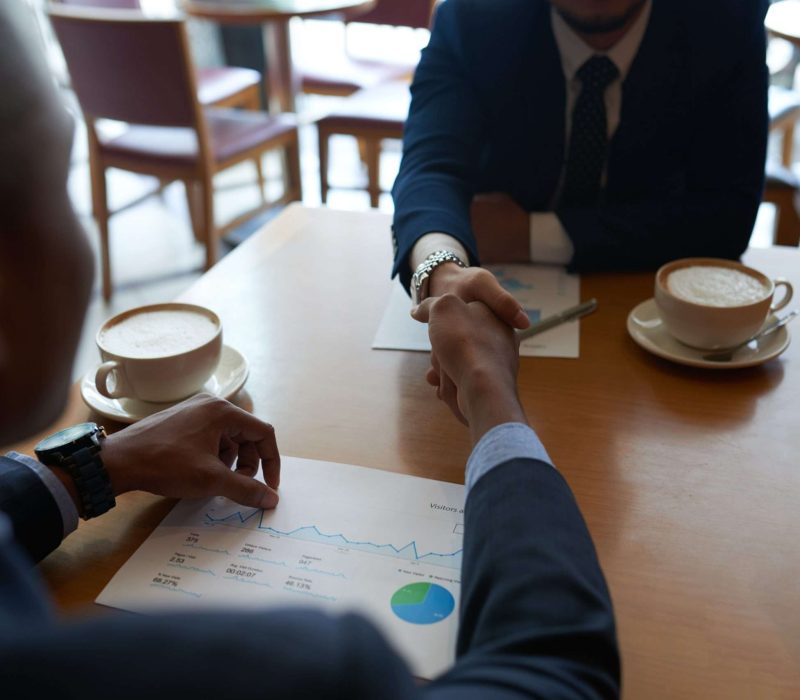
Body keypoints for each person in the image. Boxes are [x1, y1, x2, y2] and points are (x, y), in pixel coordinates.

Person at [1, 2, 618, 696]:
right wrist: (494, 400)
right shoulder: (307, 673)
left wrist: (93, 467)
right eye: (60, 181)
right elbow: (559, 670)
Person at [392, 0, 769, 330]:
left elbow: (728, 217)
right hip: (499, 295)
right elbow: (429, 167)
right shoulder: (471, 19)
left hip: (652, 309)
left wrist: (533, 235)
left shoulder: (727, 19)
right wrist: (443, 268)